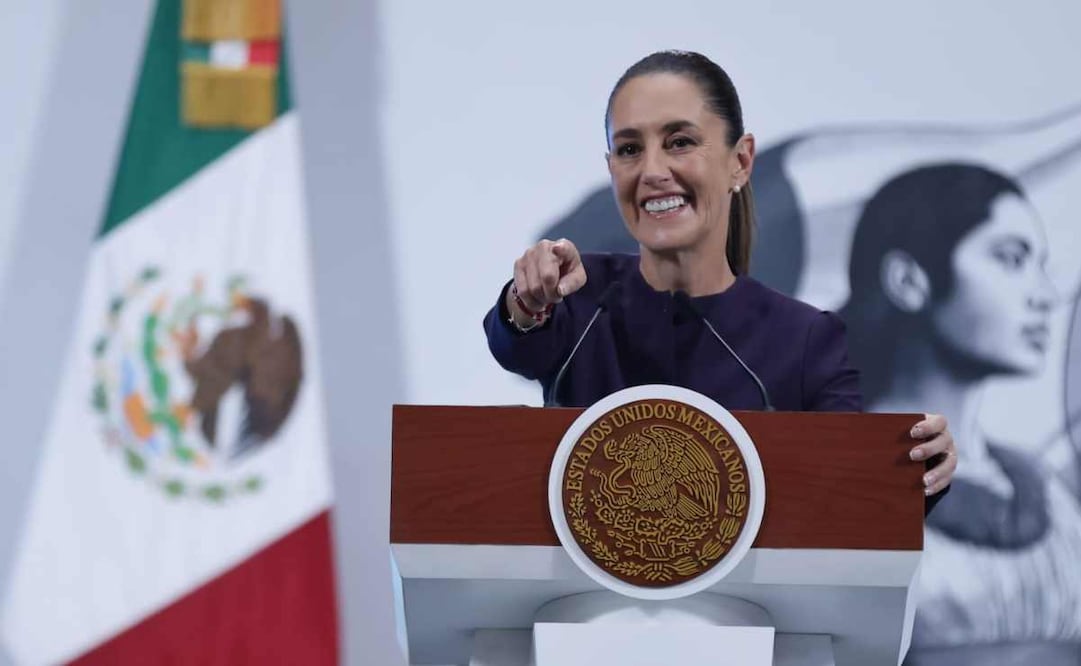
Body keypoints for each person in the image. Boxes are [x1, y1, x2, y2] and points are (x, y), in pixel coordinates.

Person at [482, 50, 956, 501]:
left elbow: (858, 495)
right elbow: (515, 341)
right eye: (629, 149)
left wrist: (925, 471)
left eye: (680, 142)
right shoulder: (579, 297)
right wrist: (525, 302)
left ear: (741, 161)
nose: (652, 171)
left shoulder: (808, 340)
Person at [837, 163, 1081, 666]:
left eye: (1041, 265)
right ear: (909, 280)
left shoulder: (1050, 494)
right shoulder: (831, 481)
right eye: (1011, 259)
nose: (1046, 297)